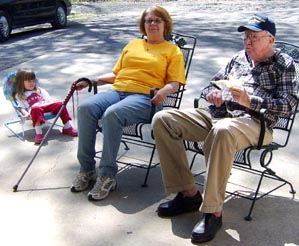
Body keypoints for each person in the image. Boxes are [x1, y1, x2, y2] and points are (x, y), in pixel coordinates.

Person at [152, 13, 298, 244]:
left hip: (254, 123)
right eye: (246, 37)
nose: (247, 42)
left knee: (224, 130)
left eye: (254, 37)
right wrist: (213, 93)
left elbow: (289, 106)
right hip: (218, 114)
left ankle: (213, 211)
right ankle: (188, 194)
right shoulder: (239, 58)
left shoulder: (284, 65)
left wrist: (251, 101)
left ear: (270, 39)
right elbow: (211, 84)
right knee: (164, 119)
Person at [70, 6, 186, 201]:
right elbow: (116, 75)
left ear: (165, 24)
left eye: (157, 20)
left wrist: (164, 91)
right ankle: (87, 169)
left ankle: (107, 175)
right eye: (149, 20)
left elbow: (175, 82)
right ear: (143, 25)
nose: (152, 24)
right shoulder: (132, 45)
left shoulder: (172, 50)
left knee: (112, 113)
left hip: (145, 98)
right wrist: (92, 80)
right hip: (118, 91)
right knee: (85, 108)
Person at [15, 68, 78, 144]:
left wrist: (53, 105)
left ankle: (67, 127)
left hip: (46, 106)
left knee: (61, 104)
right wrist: (25, 113)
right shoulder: (20, 95)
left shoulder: (39, 90)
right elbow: (21, 107)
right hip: (35, 110)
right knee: (35, 108)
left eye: (33, 81)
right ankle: (39, 133)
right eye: (29, 81)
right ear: (21, 82)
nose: (32, 83)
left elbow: (48, 99)